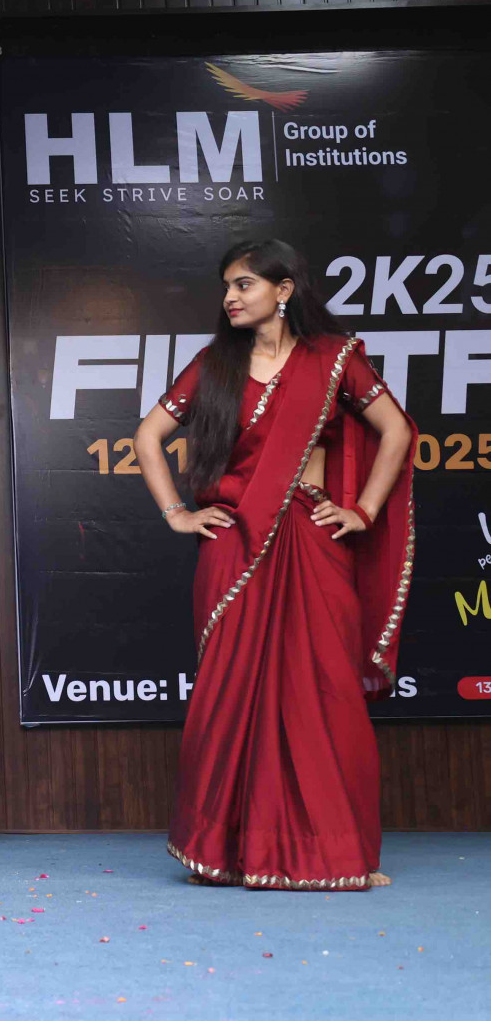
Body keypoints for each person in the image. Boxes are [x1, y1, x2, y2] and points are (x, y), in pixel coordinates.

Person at [133, 239, 415, 891]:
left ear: (283, 290)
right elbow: (148, 436)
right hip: (234, 545)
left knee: (324, 690)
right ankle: (225, 851)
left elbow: (397, 430)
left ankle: (333, 851)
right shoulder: (214, 365)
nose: (230, 297)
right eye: (227, 286)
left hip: (312, 541)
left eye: (244, 284)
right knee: (231, 693)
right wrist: (177, 512)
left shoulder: (333, 359)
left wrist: (364, 510)